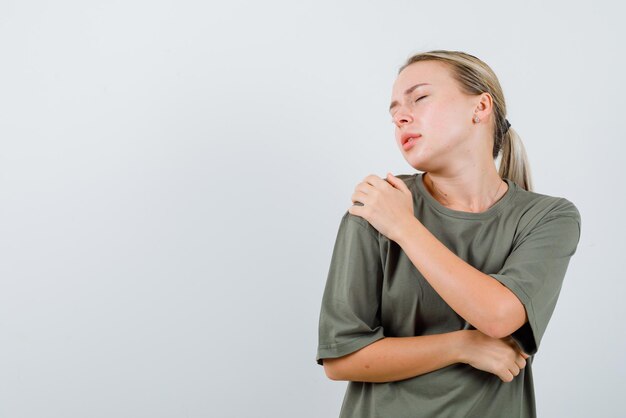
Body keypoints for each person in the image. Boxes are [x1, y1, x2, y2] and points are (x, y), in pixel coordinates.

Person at [315, 50, 582, 418]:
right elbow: (341, 358)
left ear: (481, 107)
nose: (400, 117)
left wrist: (405, 227)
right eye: (394, 112)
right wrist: (462, 345)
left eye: (419, 97)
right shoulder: (376, 208)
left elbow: (499, 316)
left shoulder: (547, 217)